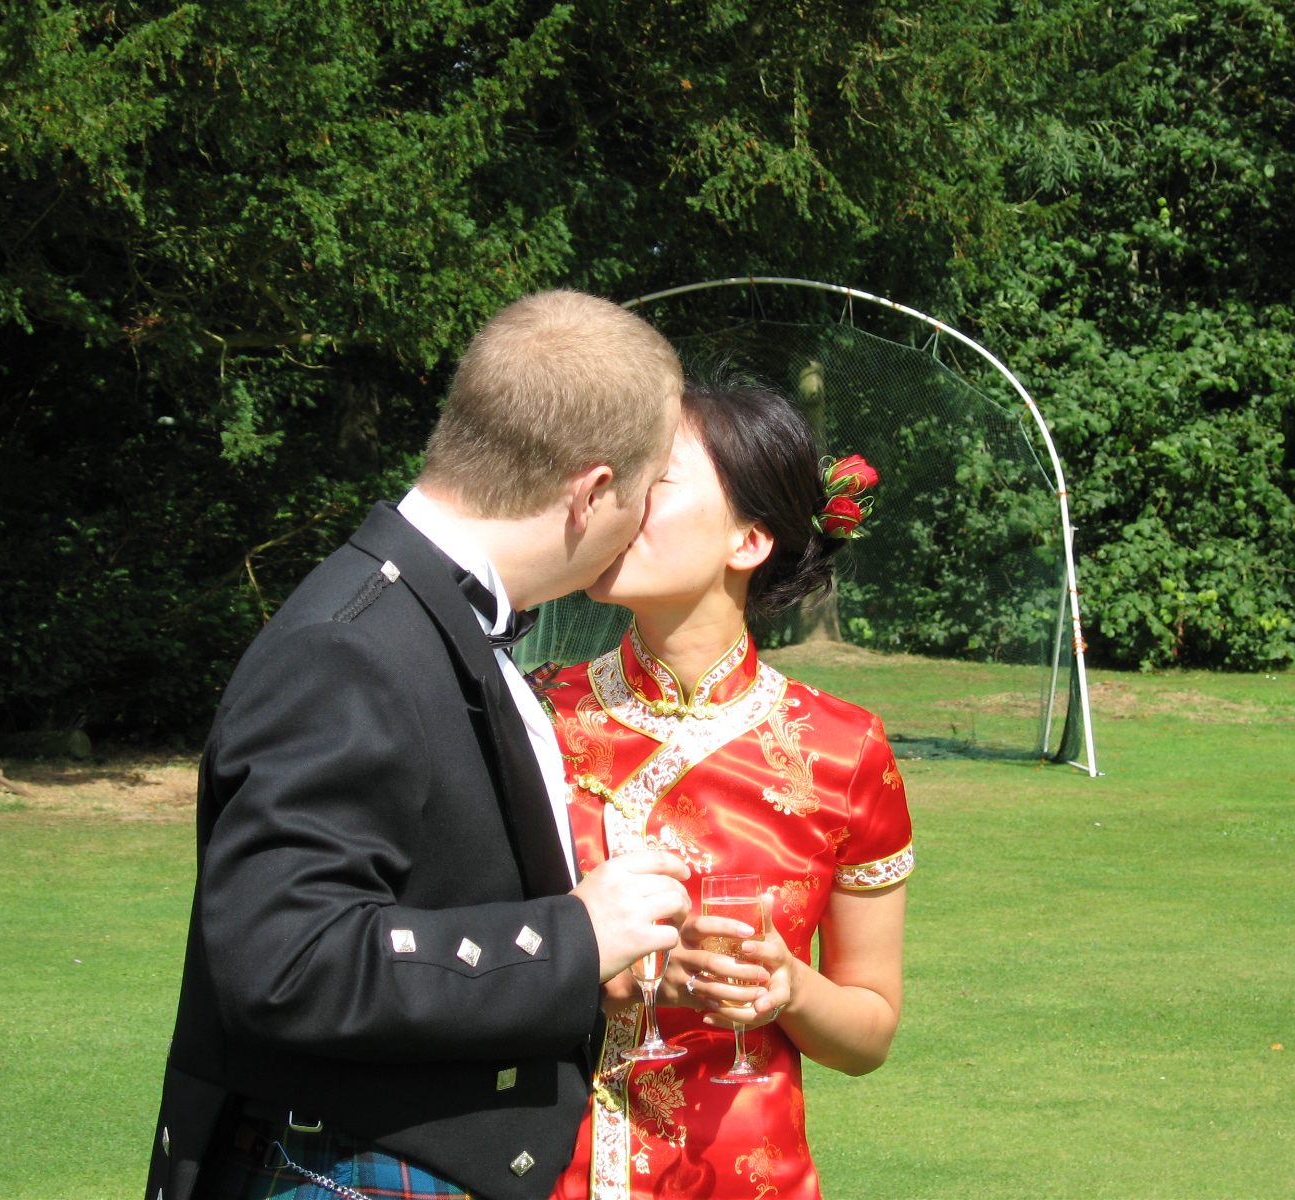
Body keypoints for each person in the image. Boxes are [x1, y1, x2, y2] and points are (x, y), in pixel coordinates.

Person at [146, 290, 696, 1200]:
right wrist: (574, 938)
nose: (638, 521)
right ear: (592, 491)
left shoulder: (422, 617)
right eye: (640, 495)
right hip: (341, 1174)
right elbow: (282, 961)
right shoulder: (350, 645)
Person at [540, 381, 912, 1200]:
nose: (614, 498)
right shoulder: (531, 716)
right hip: (533, 1174)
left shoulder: (844, 750)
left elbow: (870, 1033)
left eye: (655, 476)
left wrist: (791, 988)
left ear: (749, 540)